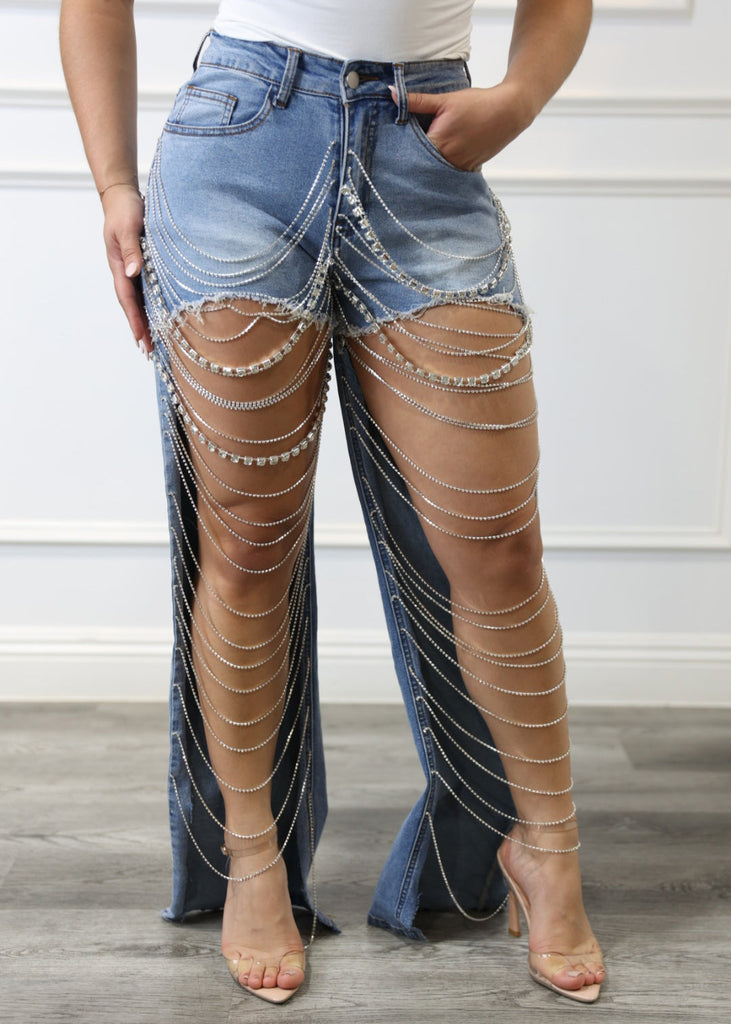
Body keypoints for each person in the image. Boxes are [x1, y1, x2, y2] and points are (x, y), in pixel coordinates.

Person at [60, 0, 606, 1006]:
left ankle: (545, 844)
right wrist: (113, 185)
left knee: (498, 544)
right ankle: (252, 856)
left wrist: (521, 96)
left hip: (424, 152)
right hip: (237, 145)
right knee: (247, 541)